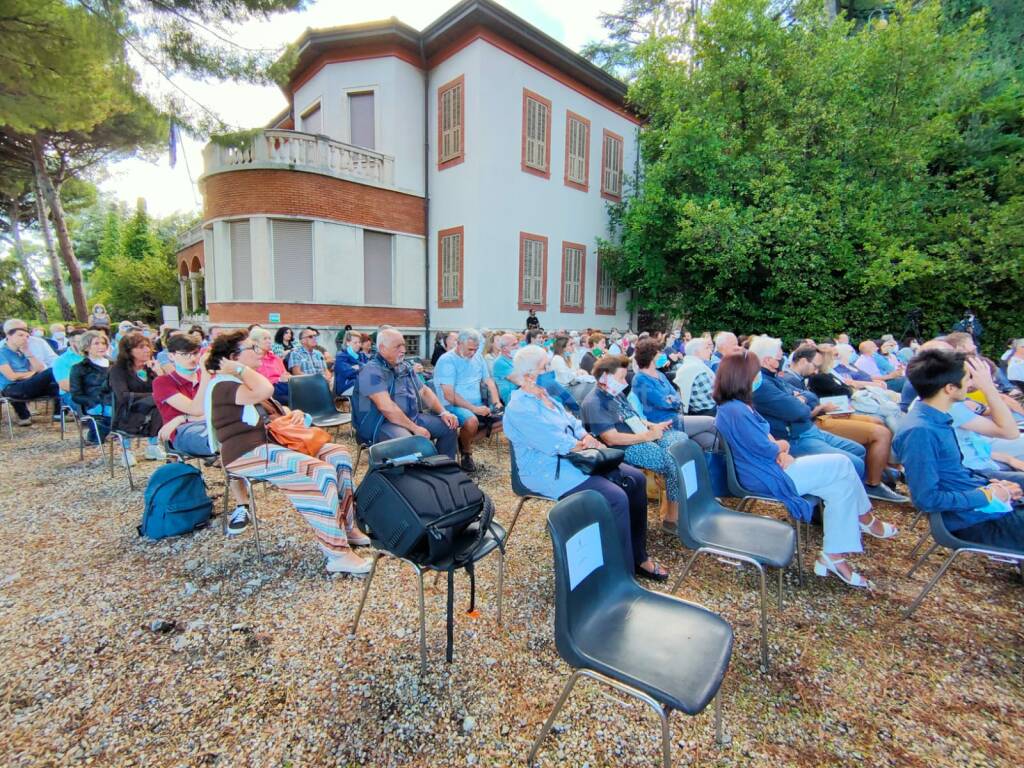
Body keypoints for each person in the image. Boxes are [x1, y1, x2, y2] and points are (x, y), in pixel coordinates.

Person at [714, 350, 896, 589]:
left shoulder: (739, 406)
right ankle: (864, 517)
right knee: (842, 464)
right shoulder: (735, 410)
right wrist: (782, 446)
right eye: (755, 373)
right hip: (765, 475)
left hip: (770, 467)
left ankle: (834, 555)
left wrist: (778, 449)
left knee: (839, 487)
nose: (759, 377)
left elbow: (763, 439)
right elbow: (763, 446)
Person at [206, 330, 371, 571]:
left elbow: (271, 407)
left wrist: (290, 415)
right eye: (252, 348)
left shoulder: (242, 382)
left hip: (272, 443)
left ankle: (347, 526)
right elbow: (265, 391)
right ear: (233, 357)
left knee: (338, 454)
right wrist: (238, 369)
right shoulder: (225, 384)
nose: (259, 350)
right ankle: (337, 553)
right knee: (319, 472)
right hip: (246, 452)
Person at [503, 345, 666, 580]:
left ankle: (638, 556)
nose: (551, 371)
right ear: (529, 374)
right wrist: (588, 444)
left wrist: (587, 437)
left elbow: (573, 423)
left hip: (574, 458)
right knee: (615, 496)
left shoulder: (545, 395)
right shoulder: (519, 407)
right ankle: (621, 574)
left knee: (635, 479)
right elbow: (555, 442)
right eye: (545, 367)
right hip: (549, 470)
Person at [749, 336, 906, 503]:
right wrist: (800, 400)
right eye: (780, 358)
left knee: (860, 450)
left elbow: (811, 397)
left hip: (808, 429)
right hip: (796, 437)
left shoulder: (774, 378)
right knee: (854, 461)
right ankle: (847, 502)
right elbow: (798, 411)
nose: (783, 361)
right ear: (767, 361)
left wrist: (802, 398)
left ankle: (854, 494)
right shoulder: (762, 385)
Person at [895, 349, 1023, 550]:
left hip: (975, 505)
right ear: (950, 388)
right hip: (971, 519)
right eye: (967, 378)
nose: (971, 383)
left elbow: (953, 472)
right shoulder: (921, 431)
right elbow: (926, 499)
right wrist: (988, 494)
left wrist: (993, 484)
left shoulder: (934, 418)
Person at [581, 355, 689, 532]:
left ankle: (677, 502)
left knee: (680, 442)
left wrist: (654, 427)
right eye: (621, 378)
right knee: (672, 462)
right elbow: (611, 438)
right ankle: (672, 518)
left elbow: (634, 418)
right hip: (624, 447)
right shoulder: (594, 402)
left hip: (640, 434)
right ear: (604, 377)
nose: (624, 382)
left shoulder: (615, 394)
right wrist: (647, 436)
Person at [792, 344, 907, 502]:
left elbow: (839, 391)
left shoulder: (807, 376)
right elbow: (799, 411)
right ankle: (874, 482)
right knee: (882, 432)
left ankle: (882, 470)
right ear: (805, 361)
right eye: (815, 365)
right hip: (819, 420)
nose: (816, 370)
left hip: (825, 414)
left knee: (878, 421)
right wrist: (821, 407)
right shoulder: (804, 378)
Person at [353, 328, 459, 458]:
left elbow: (424, 391)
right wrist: (415, 429)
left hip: (411, 418)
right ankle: (417, 475)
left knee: (450, 426)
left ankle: (443, 470)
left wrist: (443, 412)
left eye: (404, 345)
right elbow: (387, 408)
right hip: (381, 425)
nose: (403, 350)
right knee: (415, 447)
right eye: (398, 346)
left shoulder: (404, 367)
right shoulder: (370, 372)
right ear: (382, 348)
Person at [433, 329, 502, 472]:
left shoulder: (477, 357)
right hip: (451, 405)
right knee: (472, 422)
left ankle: (463, 439)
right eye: (470, 349)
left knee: (506, 420)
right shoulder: (447, 360)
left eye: (476, 349)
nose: (473, 353)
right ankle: (466, 452)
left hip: (476, 403)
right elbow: (449, 396)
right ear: (459, 344)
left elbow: (488, 381)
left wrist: (496, 402)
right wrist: (475, 409)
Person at [630, 338, 718, 450]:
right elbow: (662, 402)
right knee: (712, 422)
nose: (662, 355)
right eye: (659, 353)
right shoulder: (639, 379)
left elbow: (677, 397)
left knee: (711, 440)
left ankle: (712, 466)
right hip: (663, 422)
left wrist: (672, 400)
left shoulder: (659, 374)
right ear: (651, 356)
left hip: (675, 417)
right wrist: (672, 400)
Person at [152, 334, 215, 457]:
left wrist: (181, 418)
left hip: (206, 424)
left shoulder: (205, 377)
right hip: (181, 432)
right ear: (171, 356)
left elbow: (217, 410)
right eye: (185, 354)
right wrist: (206, 374)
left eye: (196, 353)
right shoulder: (163, 382)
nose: (192, 358)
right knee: (222, 440)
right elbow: (196, 410)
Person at [108, 332, 165, 462]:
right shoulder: (118, 370)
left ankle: (153, 445)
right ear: (129, 351)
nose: (147, 350)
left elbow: (164, 391)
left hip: (151, 409)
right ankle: (126, 450)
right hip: (127, 411)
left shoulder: (151, 368)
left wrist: (159, 373)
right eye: (140, 347)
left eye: (147, 346)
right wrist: (152, 396)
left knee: (161, 404)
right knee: (157, 401)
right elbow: (123, 396)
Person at [0, 319, 59, 425]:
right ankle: (23, 415)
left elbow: (40, 369)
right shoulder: (2, 353)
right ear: (8, 336)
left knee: (58, 385)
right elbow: (11, 376)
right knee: (52, 371)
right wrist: (32, 374)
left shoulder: (23, 353)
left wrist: (28, 353)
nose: (25, 339)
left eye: (27, 336)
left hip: (27, 385)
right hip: (12, 388)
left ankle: (59, 414)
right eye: (20, 335)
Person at [70, 330, 114, 443]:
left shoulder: (115, 365)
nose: (101, 346)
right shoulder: (79, 368)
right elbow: (76, 395)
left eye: (103, 343)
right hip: (94, 406)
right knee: (106, 411)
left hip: (116, 402)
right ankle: (97, 435)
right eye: (96, 343)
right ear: (86, 347)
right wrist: (93, 401)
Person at [549, 335, 595, 404]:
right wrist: (577, 374)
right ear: (563, 348)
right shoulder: (557, 359)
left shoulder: (567, 357)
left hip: (569, 386)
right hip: (563, 390)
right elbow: (567, 379)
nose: (573, 347)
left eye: (573, 344)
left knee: (593, 384)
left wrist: (579, 373)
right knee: (591, 387)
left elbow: (575, 370)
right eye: (570, 345)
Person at [250, 328, 290, 403]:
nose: (269, 341)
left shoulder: (276, 358)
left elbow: (285, 374)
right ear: (255, 342)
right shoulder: (253, 360)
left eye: (269, 338)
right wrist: (279, 380)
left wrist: (285, 378)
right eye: (265, 339)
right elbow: (256, 382)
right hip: (266, 390)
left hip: (282, 387)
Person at [51, 328, 86, 407]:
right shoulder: (61, 360)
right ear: (71, 342)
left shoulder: (96, 356)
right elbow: (65, 386)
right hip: (71, 394)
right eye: (81, 341)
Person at [334, 330, 366, 396]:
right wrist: (362, 368)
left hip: (360, 383)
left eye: (359, 342)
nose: (358, 345)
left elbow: (370, 368)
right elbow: (348, 373)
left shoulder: (362, 355)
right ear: (348, 343)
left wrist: (358, 367)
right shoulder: (341, 356)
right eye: (355, 342)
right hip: (346, 387)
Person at [491, 333, 519, 405]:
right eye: (514, 345)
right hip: (511, 397)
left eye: (517, 343)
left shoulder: (514, 358)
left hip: (519, 393)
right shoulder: (500, 362)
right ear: (504, 348)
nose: (517, 347)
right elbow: (520, 381)